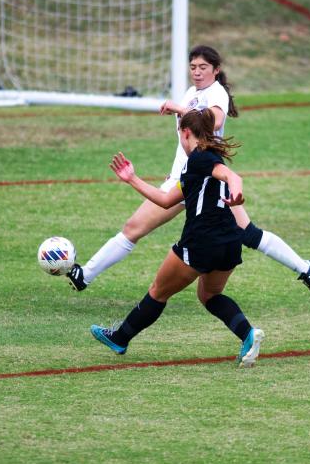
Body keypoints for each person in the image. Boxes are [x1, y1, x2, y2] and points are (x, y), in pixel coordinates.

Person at [66, 45, 310, 301]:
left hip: (201, 180)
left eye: (203, 67)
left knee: (136, 228)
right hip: (189, 177)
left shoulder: (217, 93)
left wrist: (179, 110)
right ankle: (306, 268)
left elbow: (215, 120)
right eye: (193, 67)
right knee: (246, 234)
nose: (197, 72)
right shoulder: (191, 93)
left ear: (216, 70)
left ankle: (85, 275)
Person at [90, 108, 265, 367]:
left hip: (201, 242)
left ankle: (120, 337)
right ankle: (248, 335)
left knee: (158, 292)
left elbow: (232, 176)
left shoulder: (199, 159)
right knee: (210, 296)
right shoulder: (203, 162)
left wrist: (237, 193)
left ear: (185, 133)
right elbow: (166, 200)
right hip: (229, 242)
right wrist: (132, 179)